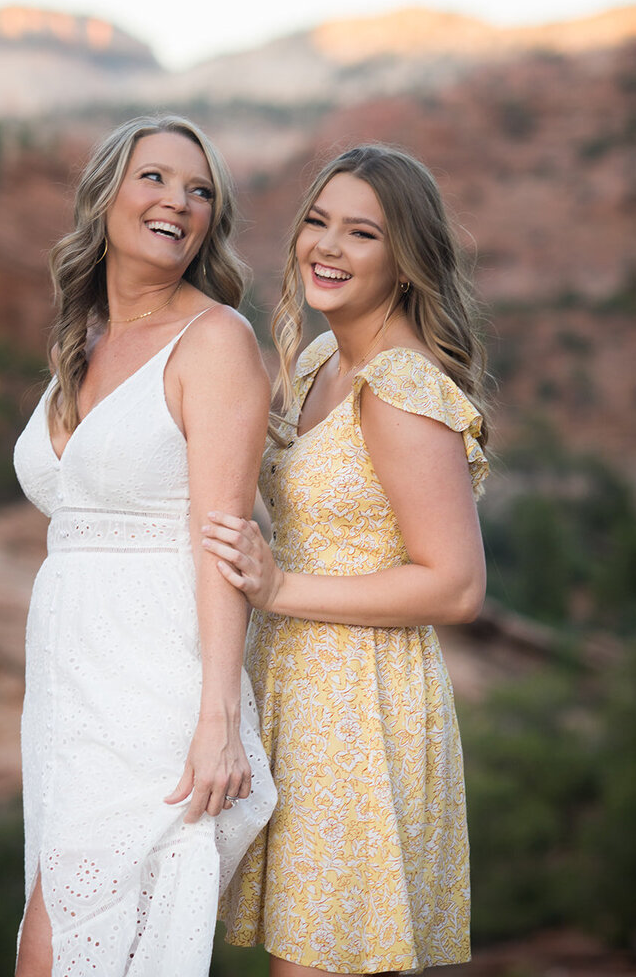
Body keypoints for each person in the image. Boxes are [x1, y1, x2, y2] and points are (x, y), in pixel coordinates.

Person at [204, 144, 489, 976]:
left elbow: (458, 583)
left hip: (360, 708)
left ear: (405, 261)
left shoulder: (398, 387)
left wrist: (280, 584)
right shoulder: (324, 362)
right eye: (317, 223)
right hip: (299, 689)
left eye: (360, 233)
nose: (327, 247)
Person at [12, 114, 276, 977]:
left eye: (201, 192)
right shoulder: (80, 340)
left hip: (156, 685)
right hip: (67, 685)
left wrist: (218, 722)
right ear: (107, 196)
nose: (180, 202)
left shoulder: (217, 343)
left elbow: (222, 540)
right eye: (156, 178)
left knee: (60, 951)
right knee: (58, 942)